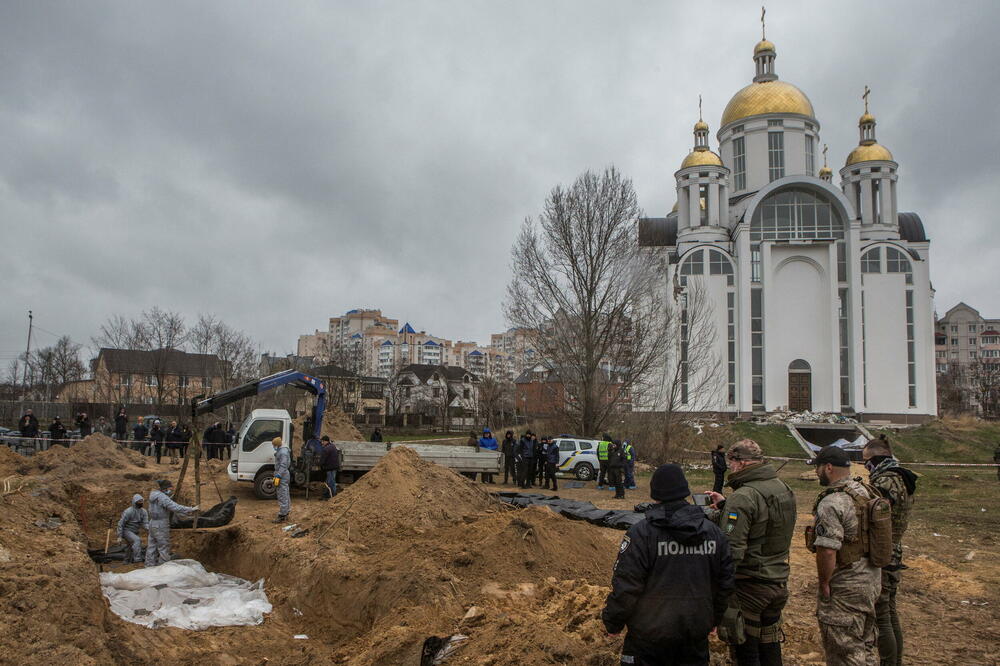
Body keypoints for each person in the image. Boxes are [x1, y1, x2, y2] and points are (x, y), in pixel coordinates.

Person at [602, 463, 734, 665]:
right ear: (685, 491)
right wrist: (714, 618)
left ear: (655, 495)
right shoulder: (713, 533)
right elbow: (725, 583)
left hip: (648, 637)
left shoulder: (641, 534)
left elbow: (627, 584)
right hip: (694, 632)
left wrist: (613, 622)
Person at [706, 439, 796, 666]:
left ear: (742, 462)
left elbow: (731, 550)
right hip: (777, 579)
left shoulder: (744, 496)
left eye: (731, 463)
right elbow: (766, 524)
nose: (730, 467)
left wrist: (718, 590)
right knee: (770, 643)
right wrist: (726, 506)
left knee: (746, 649)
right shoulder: (782, 487)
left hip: (749, 585)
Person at [807, 446, 881, 665]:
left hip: (845, 584)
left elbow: (828, 549)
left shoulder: (832, 502)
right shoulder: (865, 491)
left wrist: (824, 583)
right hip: (871, 578)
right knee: (865, 645)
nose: (816, 472)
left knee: (844, 651)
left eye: (818, 467)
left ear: (828, 467)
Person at [864, 436, 917, 666]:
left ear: (876, 459)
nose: (865, 465)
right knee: (890, 612)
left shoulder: (884, 482)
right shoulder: (902, 477)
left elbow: (874, 517)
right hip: (894, 550)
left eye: (867, 461)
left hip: (883, 552)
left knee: (882, 615)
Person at [145, 479, 198, 567]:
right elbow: (175, 507)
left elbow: (162, 504)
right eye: (169, 488)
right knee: (163, 546)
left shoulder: (154, 495)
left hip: (152, 523)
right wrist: (190, 509)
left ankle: (149, 566)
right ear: (165, 488)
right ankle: (163, 567)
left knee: (151, 546)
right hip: (161, 524)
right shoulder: (162, 497)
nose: (170, 490)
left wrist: (169, 499)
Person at [117, 494, 149, 564]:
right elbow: (121, 523)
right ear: (135, 502)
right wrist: (119, 536)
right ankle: (137, 560)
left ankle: (126, 560)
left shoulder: (144, 511)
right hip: (126, 530)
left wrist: (149, 529)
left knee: (129, 545)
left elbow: (145, 523)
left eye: (142, 501)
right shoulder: (128, 511)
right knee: (137, 540)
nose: (141, 503)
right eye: (139, 501)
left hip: (135, 531)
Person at [272, 436, 291, 522]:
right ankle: (286, 511)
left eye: (274, 445)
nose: (273, 447)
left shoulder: (283, 452)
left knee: (282, 494)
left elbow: (283, 465)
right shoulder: (282, 450)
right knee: (285, 493)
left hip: (282, 474)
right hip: (283, 474)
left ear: (277, 445)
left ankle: (282, 515)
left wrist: (278, 475)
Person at [319, 436, 341, 500]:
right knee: (329, 481)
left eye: (322, 441)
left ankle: (333, 496)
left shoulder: (326, 449)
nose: (322, 443)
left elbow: (323, 459)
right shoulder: (333, 446)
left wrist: (319, 465)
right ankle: (327, 494)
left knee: (331, 482)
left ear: (326, 441)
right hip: (334, 467)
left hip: (330, 468)